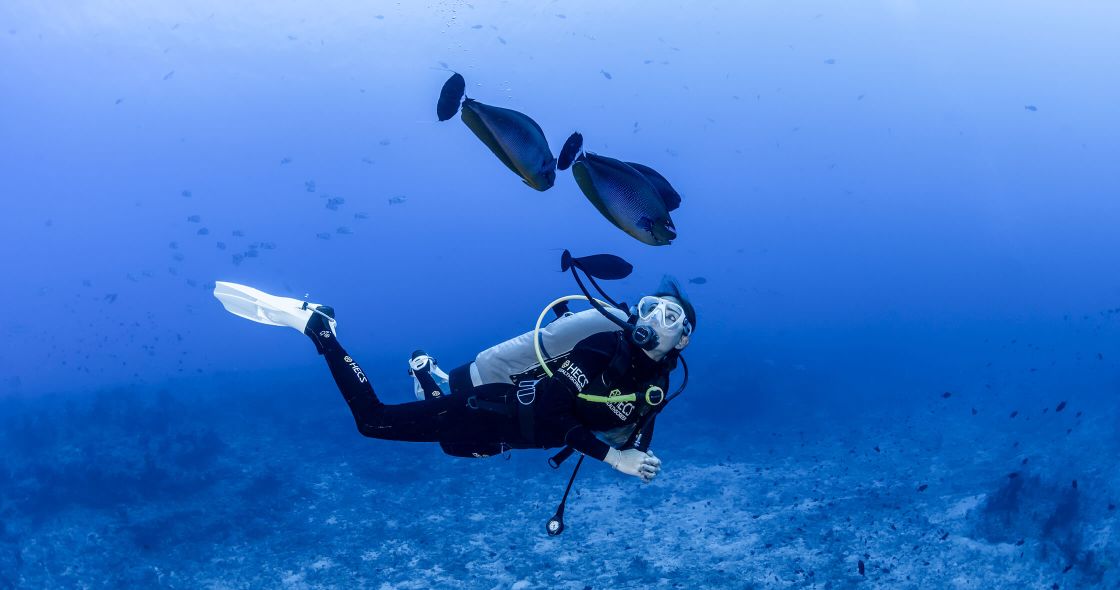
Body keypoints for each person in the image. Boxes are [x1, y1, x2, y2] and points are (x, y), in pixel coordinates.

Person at [212, 277, 695, 483]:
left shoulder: (656, 380)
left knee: (452, 449)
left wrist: (632, 454)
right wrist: (614, 459)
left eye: (668, 314)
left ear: (683, 340)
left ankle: (424, 375)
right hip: (488, 408)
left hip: (502, 437)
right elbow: (553, 413)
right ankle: (320, 329)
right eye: (649, 306)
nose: (653, 315)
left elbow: (621, 428)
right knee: (373, 422)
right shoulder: (600, 349)